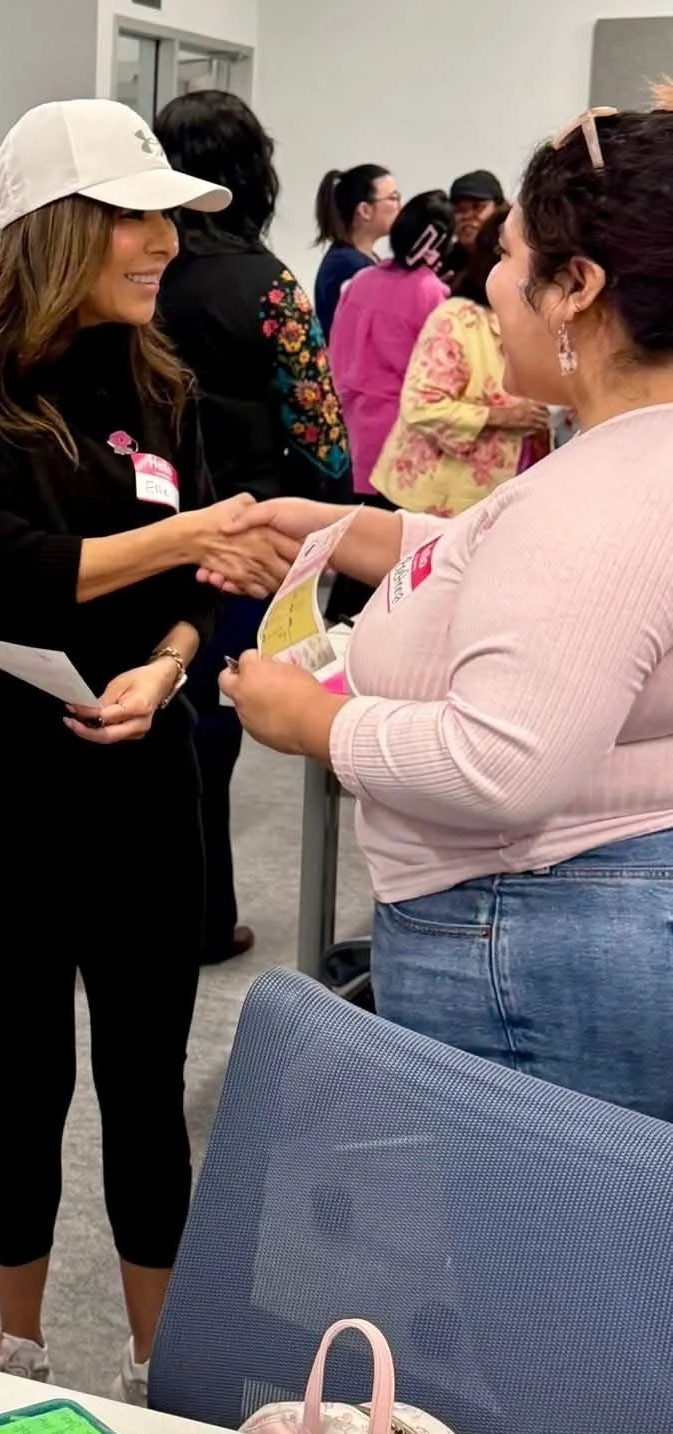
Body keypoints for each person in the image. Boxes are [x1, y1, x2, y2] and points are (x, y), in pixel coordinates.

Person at [0, 99, 293, 1402]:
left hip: (140, 775)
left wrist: (169, 663)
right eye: (135, 216)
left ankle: (160, 1365)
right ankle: (19, 1351)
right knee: (26, 1072)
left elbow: (202, 585)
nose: (164, 242)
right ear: (56, 226)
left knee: (146, 1081)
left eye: (170, 217)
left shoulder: (158, 377)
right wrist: (187, 537)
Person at [219, 100, 673, 1121]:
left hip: (529, 936)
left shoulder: (604, 499)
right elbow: (513, 571)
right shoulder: (622, 464)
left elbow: (501, 764)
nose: (489, 286)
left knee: (536, 1220)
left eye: (508, 258)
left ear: (578, 286)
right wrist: (347, 529)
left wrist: (314, 721)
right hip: (556, 918)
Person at [154, 90, 351, 964]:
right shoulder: (266, 283)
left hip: (141, 533)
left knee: (148, 712)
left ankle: (143, 913)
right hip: (249, 534)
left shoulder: (133, 271)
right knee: (212, 725)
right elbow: (319, 427)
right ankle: (201, 917)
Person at [371, 208, 551, 516]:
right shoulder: (457, 319)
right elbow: (420, 406)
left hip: (515, 492)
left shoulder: (545, 323)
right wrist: (502, 416)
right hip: (440, 497)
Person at [329, 190, 453, 495]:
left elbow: (337, 356)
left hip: (355, 433)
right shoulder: (432, 293)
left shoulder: (360, 281)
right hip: (406, 441)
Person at [313, 164, 400, 337]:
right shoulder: (349, 266)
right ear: (365, 210)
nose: (400, 206)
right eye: (393, 198)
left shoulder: (357, 258)